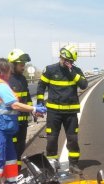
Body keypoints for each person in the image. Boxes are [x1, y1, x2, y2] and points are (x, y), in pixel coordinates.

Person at [0, 58, 47, 184]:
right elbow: (14, 104)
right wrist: (33, 109)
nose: (10, 75)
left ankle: (12, 182)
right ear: (4, 71)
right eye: (9, 72)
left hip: (3, 128)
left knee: (11, 157)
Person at [36, 45, 88, 174]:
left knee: (73, 140)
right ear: (61, 57)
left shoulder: (76, 71)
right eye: (63, 59)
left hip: (71, 113)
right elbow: (41, 85)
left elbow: (83, 85)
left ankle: (74, 164)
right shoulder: (50, 70)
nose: (65, 62)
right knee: (52, 139)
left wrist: (72, 72)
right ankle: (52, 165)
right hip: (54, 113)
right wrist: (40, 102)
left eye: (68, 61)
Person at [7, 49, 33, 171]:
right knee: (12, 149)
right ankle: (11, 175)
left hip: (23, 123)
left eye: (24, 64)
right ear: (13, 64)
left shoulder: (22, 79)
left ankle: (16, 172)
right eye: (21, 64)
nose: (23, 67)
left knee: (20, 148)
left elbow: (27, 96)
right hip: (12, 123)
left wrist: (32, 110)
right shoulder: (7, 80)